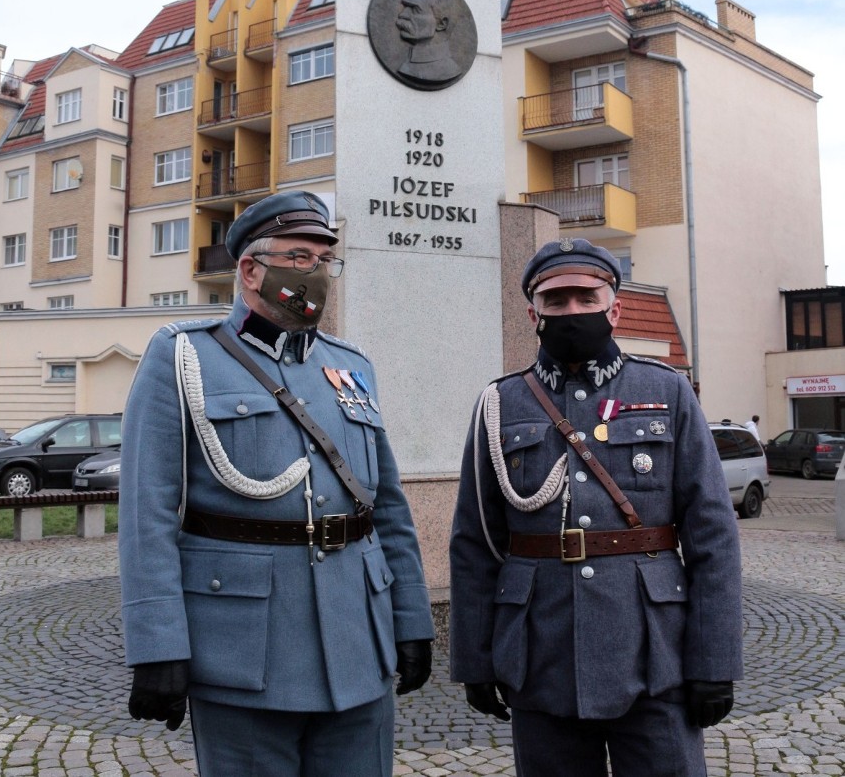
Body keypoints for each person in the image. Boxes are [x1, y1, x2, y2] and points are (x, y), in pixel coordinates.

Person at [119, 190, 434, 777]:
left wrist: (410, 619)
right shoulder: (184, 356)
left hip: (356, 640)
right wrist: (158, 644)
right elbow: (147, 513)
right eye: (299, 257)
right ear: (250, 269)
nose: (315, 273)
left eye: (324, 261)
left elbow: (384, 504)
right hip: (244, 646)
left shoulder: (351, 365)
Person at [449, 238, 742, 777]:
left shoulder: (667, 391)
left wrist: (715, 660)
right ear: (533, 311)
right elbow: (475, 541)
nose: (571, 312)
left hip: (655, 652)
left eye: (587, 298)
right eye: (555, 301)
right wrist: (475, 658)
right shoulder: (499, 403)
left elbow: (713, 534)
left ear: (615, 306)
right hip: (540, 650)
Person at [395, 0, 460, 83]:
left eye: (414, 9)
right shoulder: (409, 65)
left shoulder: (446, 70)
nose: (402, 15)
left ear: (441, 24)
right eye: (405, 7)